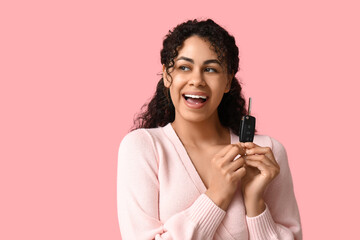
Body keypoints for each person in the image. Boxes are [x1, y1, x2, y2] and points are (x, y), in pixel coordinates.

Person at [117, 19, 302, 240]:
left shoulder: (266, 153)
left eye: (211, 69)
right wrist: (216, 196)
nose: (197, 80)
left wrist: (255, 204)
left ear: (228, 81)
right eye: (184, 67)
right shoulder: (143, 148)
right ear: (167, 75)